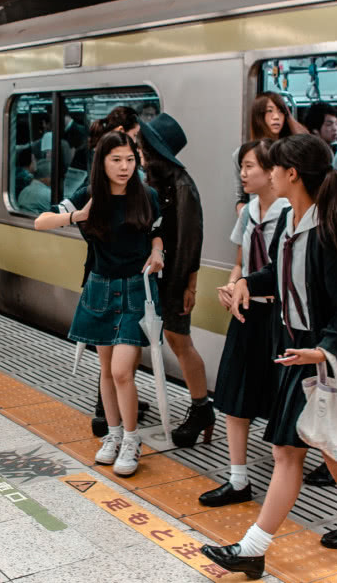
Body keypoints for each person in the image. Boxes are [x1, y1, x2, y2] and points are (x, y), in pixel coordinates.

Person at [204, 135, 337, 577]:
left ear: (291, 174)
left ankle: (253, 547)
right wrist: (247, 282)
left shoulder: (328, 236)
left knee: (287, 452)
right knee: (330, 444)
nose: (266, 173)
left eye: (274, 167)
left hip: (318, 356)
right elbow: (278, 276)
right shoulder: (292, 223)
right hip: (298, 349)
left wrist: (321, 351)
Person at [36, 130, 163, 477]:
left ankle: (133, 439)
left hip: (137, 290)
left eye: (130, 160)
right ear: (102, 162)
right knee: (106, 371)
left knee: (123, 371)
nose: (124, 167)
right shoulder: (88, 195)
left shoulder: (147, 195)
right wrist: (77, 216)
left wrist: (157, 249)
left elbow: (159, 229)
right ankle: (114, 434)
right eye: (116, 160)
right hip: (100, 288)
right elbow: (41, 221)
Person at [201, 140, 289, 506]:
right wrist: (232, 286)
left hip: (281, 317)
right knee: (234, 395)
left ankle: (298, 467)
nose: (243, 174)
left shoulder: (290, 212)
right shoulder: (248, 212)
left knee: (283, 398)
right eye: (242, 167)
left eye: (249, 166)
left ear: (273, 171)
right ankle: (238, 479)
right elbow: (240, 263)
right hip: (247, 312)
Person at [136, 113, 211, 446]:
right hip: (152, 277)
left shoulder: (182, 184)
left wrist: (189, 285)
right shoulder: (151, 179)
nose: (138, 149)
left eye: (142, 144)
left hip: (175, 277)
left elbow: (192, 239)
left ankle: (201, 407)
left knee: (180, 341)